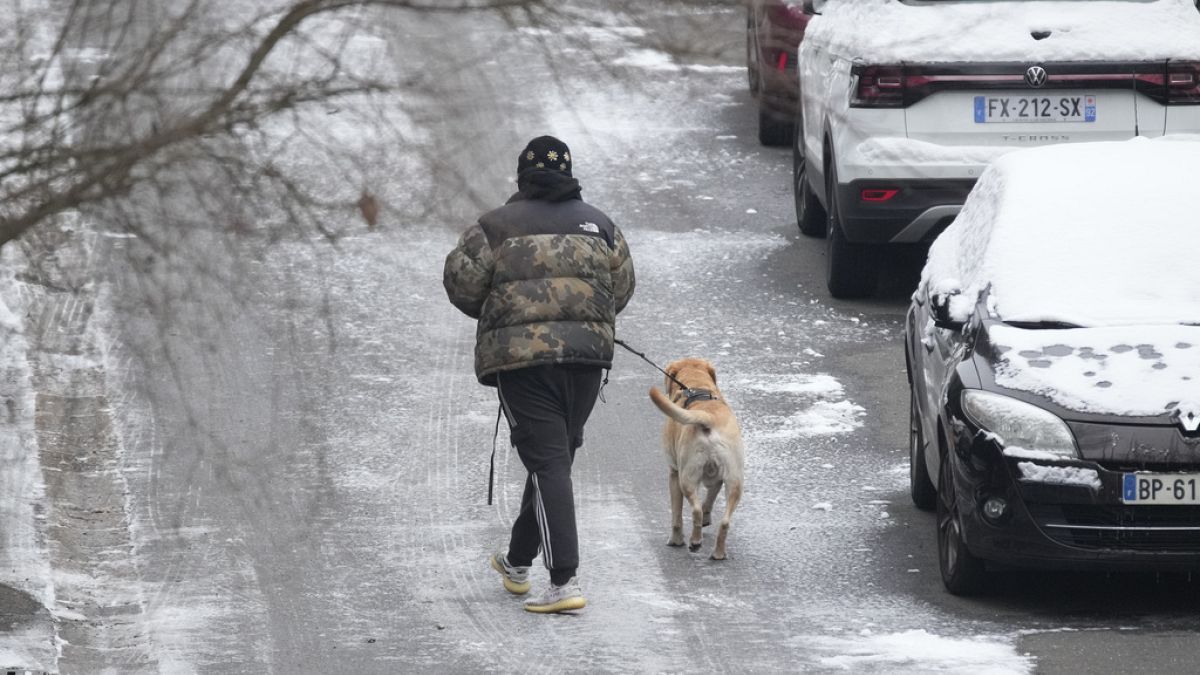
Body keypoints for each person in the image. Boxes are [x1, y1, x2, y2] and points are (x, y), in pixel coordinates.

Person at [443, 135, 635, 613]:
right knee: (555, 458)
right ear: (568, 174)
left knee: (548, 461)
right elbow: (622, 288)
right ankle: (517, 562)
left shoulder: (494, 227)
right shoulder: (601, 225)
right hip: (588, 363)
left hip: (522, 364)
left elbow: (461, 285)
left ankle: (564, 582)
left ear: (522, 177)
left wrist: (505, 312)